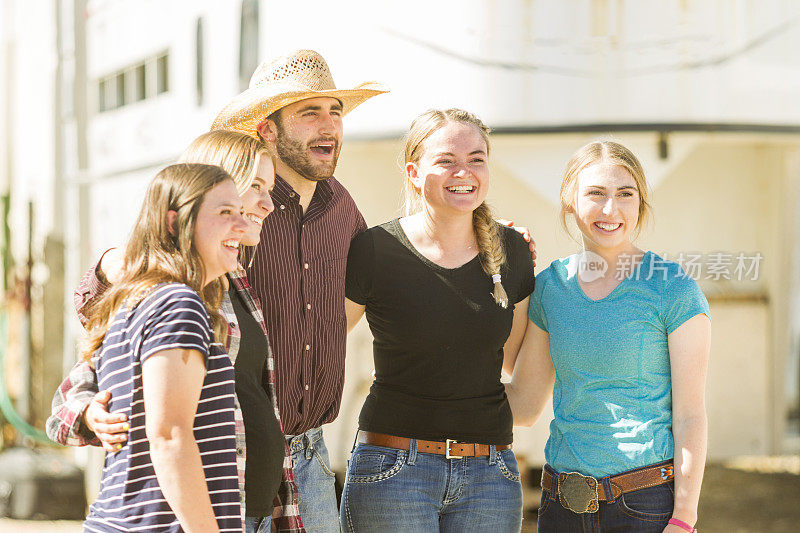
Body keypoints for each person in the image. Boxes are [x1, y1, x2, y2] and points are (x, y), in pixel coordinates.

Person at [48, 130, 305, 533]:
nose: (262, 207)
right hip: (180, 518)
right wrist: (88, 412)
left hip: (231, 508)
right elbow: (167, 434)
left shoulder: (218, 285)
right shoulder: (174, 300)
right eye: (245, 194)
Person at [210, 49, 388, 532]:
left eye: (335, 112)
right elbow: (136, 276)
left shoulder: (341, 206)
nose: (329, 125)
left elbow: (384, 280)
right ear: (268, 129)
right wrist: (110, 262)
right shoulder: (234, 204)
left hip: (311, 454)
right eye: (309, 112)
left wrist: (491, 242)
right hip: (236, 454)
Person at [339, 109, 535, 532]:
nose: (463, 171)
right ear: (414, 171)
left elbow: (514, 360)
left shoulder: (513, 251)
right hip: (393, 471)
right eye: (446, 160)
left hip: (490, 475)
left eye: (477, 158)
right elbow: (321, 344)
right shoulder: (375, 250)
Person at [505, 141, 711, 533]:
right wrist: (512, 268)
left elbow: (690, 416)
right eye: (595, 194)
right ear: (569, 200)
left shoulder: (673, 289)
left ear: (640, 204)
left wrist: (684, 517)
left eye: (625, 195)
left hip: (644, 505)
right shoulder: (551, 286)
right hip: (561, 504)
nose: (610, 209)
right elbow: (525, 402)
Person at [81, 163, 247, 532]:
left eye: (240, 212)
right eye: (224, 213)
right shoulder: (177, 303)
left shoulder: (135, 299)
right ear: (174, 222)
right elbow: (170, 436)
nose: (243, 225)